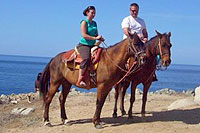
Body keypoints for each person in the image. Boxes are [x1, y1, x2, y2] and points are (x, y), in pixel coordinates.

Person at [121, 3, 158, 81]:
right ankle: (122, 72)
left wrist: (145, 38)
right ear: (130, 10)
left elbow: (145, 32)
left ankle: (152, 73)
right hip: (129, 42)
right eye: (133, 11)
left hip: (141, 43)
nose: (135, 12)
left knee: (153, 54)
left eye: (136, 11)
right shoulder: (126, 19)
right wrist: (137, 37)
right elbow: (126, 32)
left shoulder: (142, 21)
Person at [76, 6, 105, 87]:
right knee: (86, 59)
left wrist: (100, 37)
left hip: (93, 44)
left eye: (94, 13)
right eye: (92, 13)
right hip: (84, 44)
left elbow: (96, 33)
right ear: (87, 13)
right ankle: (80, 79)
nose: (93, 14)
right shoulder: (84, 22)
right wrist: (95, 38)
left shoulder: (94, 23)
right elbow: (84, 35)